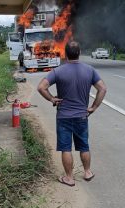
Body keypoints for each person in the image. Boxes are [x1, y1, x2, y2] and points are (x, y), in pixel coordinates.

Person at [37, 40, 107, 187]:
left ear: (65, 54)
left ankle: (69, 178)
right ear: (79, 53)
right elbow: (102, 89)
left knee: (66, 148)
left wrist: (52, 99)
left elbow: (41, 87)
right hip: (82, 115)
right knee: (84, 146)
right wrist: (93, 107)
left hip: (64, 117)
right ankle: (87, 172)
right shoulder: (89, 70)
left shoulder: (58, 71)